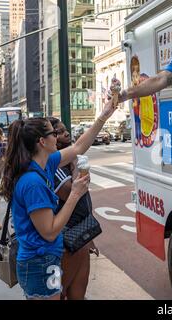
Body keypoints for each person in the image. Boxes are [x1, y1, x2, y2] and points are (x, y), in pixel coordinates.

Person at [0, 99, 116, 300]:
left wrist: (104, 114)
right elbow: (50, 231)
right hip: (38, 263)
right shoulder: (32, 182)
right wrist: (75, 194)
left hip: (47, 260)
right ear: (42, 142)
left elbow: (79, 147)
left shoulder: (45, 164)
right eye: (53, 133)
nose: (58, 136)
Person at [48, 117, 99, 300]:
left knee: (78, 292)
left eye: (65, 130)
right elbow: (71, 194)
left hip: (79, 236)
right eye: (59, 132)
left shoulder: (66, 163)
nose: (66, 133)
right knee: (62, 292)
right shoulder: (53, 167)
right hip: (66, 241)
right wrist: (78, 166)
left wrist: (88, 237)